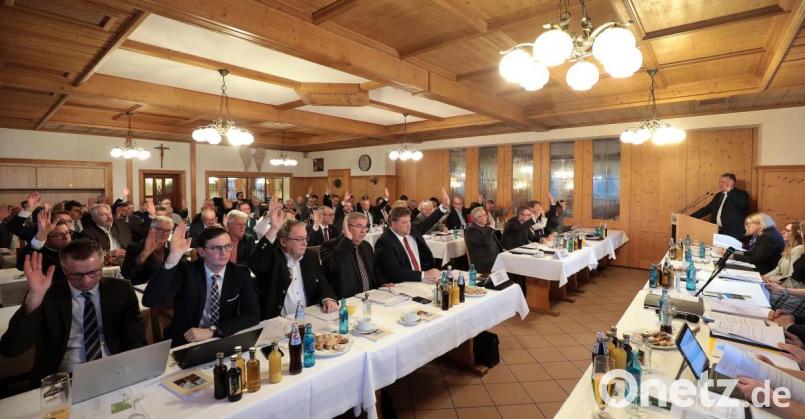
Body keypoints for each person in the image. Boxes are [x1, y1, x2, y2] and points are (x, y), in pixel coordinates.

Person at [0, 241, 146, 386]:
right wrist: (34, 298)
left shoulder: (121, 290)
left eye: (93, 272)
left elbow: (136, 338)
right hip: (65, 377)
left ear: (102, 266)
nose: (86, 280)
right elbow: (11, 349)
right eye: (77, 275)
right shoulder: (48, 294)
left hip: (114, 369)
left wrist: (130, 369)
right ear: (64, 270)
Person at [143, 224, 260, 347]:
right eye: (216, 248)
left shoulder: (240, 273)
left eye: (228, 246)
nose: (224, 253)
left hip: (222, 338)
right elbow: (150, 300)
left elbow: (253, 315)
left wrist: (213, 331)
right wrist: (172, 258)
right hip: (185, 341)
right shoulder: (186, 271)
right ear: (202, 252)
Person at [248, 204, 338, 319]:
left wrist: (327, 298)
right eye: (299, 239)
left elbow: (322, 282)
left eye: (305, 238)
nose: (305, 243)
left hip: (309, 316)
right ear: (283, 242)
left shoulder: (310, 256)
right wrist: (273, 229)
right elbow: (256, 264)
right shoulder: (273, 257)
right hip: (279, 321)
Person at [374, 189, 450, 283]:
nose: (408, 225)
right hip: (404, 283)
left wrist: (443, 207)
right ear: (393, 224)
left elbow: (429, 221)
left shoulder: (412, 230)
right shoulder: (385, 242)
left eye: (409, 221)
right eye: (404, 222)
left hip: (422, 278)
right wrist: (424, 275)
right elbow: (395, 273)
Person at [320, 212, 380, 299]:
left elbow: (375, 270)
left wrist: (383, 283)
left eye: (365, 227)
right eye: (359, 226)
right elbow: (331, 266)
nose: (363, 231)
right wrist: (347, 239)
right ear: (346, 227)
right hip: (349, 300)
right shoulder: (330, 245)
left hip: (371, 296)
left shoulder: (366, 245)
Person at [691, 173, 750, 240]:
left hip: (733, 233)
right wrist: (690, 217)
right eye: (719, 182)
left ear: (732, 182)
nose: (720, 184)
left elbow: (744, 205)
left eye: (723, 182)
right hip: (718, 231)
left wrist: (729, 191)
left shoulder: (741, 194)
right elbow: (707, 209)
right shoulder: (718, 195)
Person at [16, 210, 73, 280]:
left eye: (67, 233)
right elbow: (21, 266)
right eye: (59, 235)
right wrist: (41, 236)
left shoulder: (75, 247)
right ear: (46, 240)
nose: (66, 237)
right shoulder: (41, 254)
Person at [121, 216, 174, 285]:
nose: (164, 234)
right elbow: (126, 275)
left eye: (168, 231)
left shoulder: (173, 248)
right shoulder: (135, 247)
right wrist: (144, 254)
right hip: (141, 288)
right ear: (151, 229)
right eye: (160, 230)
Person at [464, 206, 504, 273]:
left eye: (485, 215)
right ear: (477, 218)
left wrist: (502, 251)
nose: (486, 217)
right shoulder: (471, 230)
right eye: (483, 215)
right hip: (484, 262)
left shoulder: (486, 227)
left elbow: (495, 242)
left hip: (494, 258)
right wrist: (492, 225)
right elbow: (485, 240)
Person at [764, 222, 804, 287]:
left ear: (797, 234)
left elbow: (791, 276)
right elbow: (777, 269)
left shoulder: (798, 249)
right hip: (780, 283)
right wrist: (763, 277)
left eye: (787, 231)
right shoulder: (788, 248)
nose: (782, 232)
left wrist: (769, 279)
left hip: (788, 286)